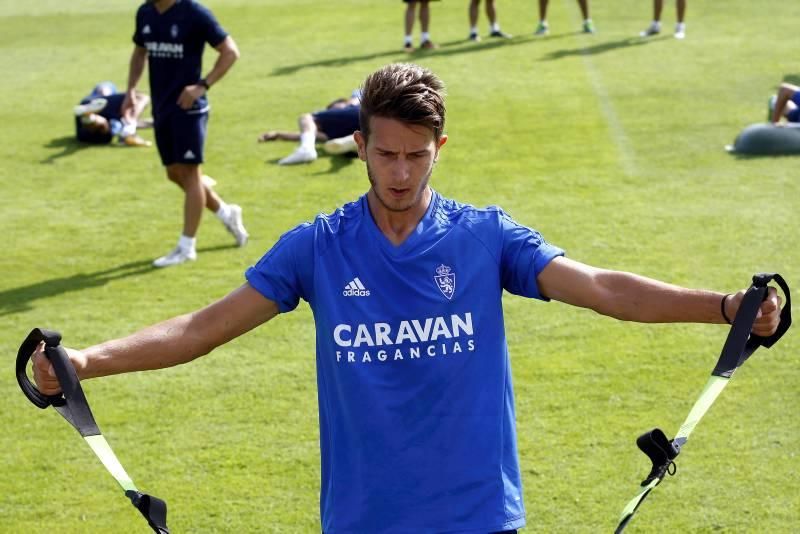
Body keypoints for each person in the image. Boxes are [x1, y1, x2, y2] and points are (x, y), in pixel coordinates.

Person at [31, 63, 783, 532]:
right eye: (385, 153)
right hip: (363, 521)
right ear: (358, 144)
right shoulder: (316, 246)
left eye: (416, 156)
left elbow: (603, 290)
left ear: (440, 150)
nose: (399, 172)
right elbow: (203, 328)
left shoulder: (486, 236)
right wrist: (87, 362)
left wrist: (724, 307)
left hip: (479, 518)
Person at [126, 0, 249, 268]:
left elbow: (230, 51)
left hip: (188, 109)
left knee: (191, 174)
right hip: (162, 108)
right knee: (175, 173)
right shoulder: (145, 12)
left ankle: (186, 247)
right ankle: (226, 213)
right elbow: (139, 52)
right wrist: (130, 91)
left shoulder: (194, 13)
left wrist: (202, 86)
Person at [258, 91, 361, 165]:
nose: (329, 111)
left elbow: (357, 99)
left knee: (307, 117)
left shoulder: (352, 104)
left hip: (362, 112)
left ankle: (306, 150)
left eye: (331, 108)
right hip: (367, 127)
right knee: (329, 141)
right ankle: (355, 142)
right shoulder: (334, 130)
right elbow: (310, 135)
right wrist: (278, 134)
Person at [74, 81, 152, 147]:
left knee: (102, 123)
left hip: (86, 133)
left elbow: (102, 89)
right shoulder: (108, 89)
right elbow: (104, 89)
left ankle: (89, 117)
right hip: (100, 136)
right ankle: (128, 131)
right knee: (142, 98)